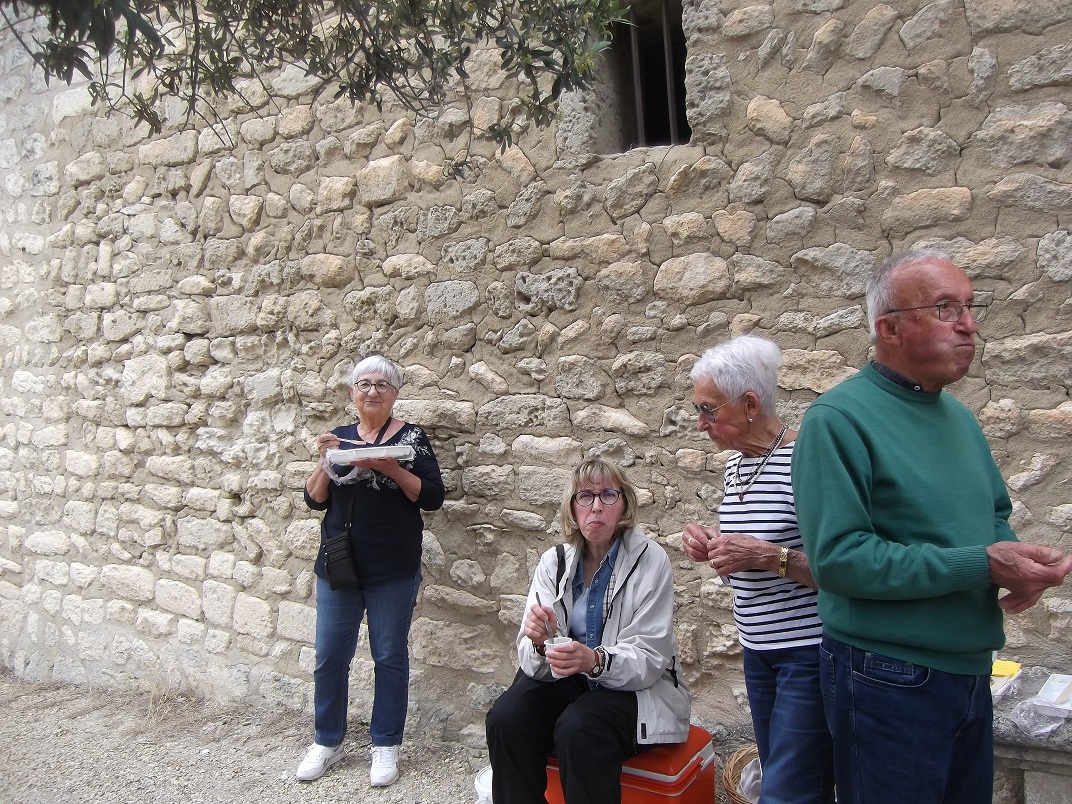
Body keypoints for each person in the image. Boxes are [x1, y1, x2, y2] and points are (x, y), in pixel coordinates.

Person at [792, 249, 1072, 804]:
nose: (968, 324)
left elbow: (993, 516)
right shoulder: (838, 420)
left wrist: (1016, 563)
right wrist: (982, 565)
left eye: (969, 306)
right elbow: (839, 560)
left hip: (969, 670)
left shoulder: (960, 418)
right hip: (885, 675)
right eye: (945, 308)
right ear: (889, 329)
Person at [681, 335, 834, 804]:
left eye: (708, 410)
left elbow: (838, 568)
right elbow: (747, 563)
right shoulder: (736, 466)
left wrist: (766, 555)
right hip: (757, 648)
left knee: (789, 790)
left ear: (750, 404)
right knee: (782, 777)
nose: (700, 423)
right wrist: (715, 551)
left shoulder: (806, 459)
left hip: (806, 652)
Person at [485, 458, 691, 804]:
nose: (596, 506)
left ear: (624, 505)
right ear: (572, 508)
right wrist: (539, 644)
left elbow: (649, 657)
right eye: (585, 496)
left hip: (639, 688)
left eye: (608, 495)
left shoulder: (650, 560)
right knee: (507, 718)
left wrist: (594, 661)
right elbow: (532, 661)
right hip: (570, 680)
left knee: (581, 728)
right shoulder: (554, 562)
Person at [297, 354, 445, 787]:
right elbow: (314, 500)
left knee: (389, 657)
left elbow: (432, 497)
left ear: (395, 394)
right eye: (364, 384)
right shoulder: (339, 437)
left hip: (392, 567)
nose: (372, 391)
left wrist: (392, 468)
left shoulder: (412, 438)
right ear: (352, 392)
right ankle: (327, 740)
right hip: (339, 565)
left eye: (382, 384)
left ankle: (385, 744)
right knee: (329, 656)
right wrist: (325, 460)